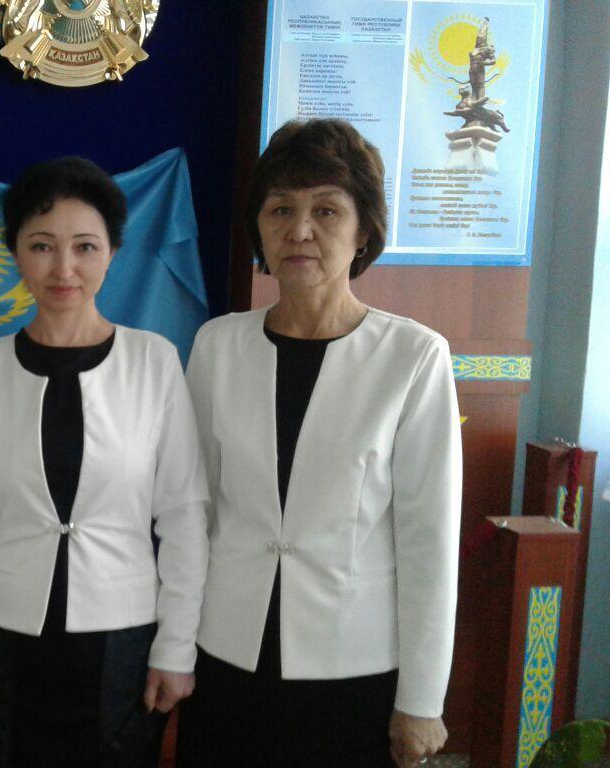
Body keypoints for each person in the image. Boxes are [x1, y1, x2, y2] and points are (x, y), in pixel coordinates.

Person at [176, 118, 462, 768]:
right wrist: (175, 643)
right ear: (259, 227)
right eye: (281, 209)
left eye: (326, 210)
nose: (300, 230)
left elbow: (430, 543)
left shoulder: (413, 357)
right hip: (226, 656)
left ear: (363, 232)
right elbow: (195, 510)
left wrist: (423, 699)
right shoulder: (217, 346)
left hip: (352, 672)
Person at [0, 157, 210, 767]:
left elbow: (183, 517)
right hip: (2, 635)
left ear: (112, 252)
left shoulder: (154, 362)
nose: (63, 268)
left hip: (121, 638)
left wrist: (176, 647)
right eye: (41, 246)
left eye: (85, 247)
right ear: (14, 252)